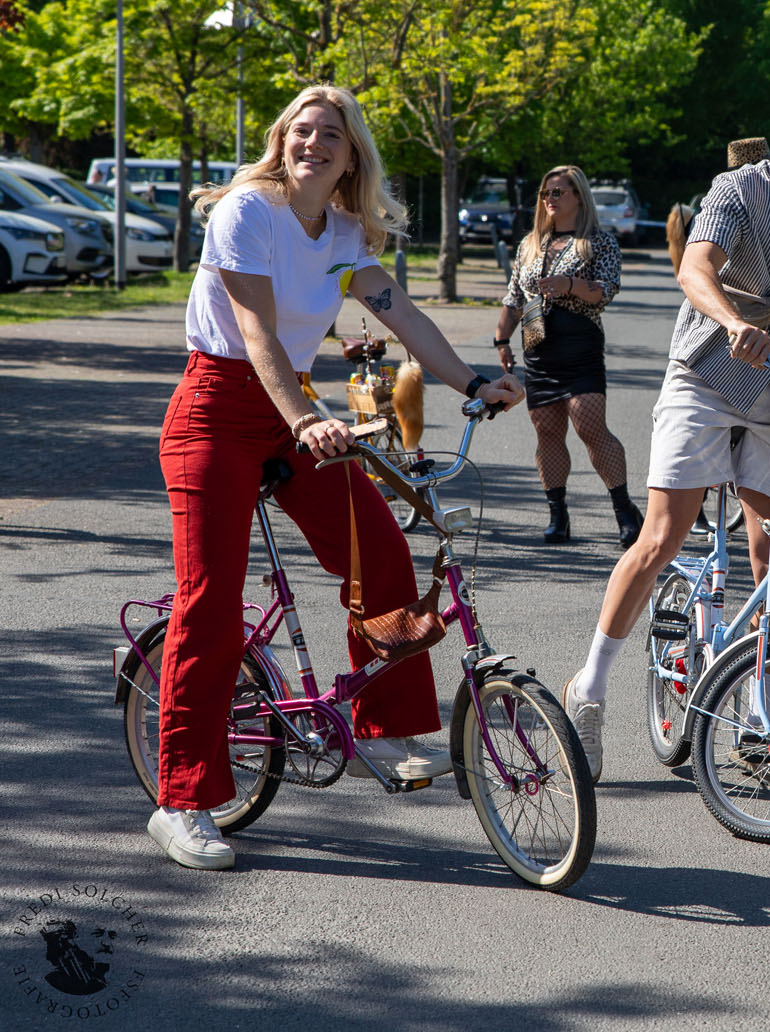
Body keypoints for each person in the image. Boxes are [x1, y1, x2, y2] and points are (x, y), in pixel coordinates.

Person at [152, 85, 523, 871]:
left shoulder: (346, 230)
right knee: (210, 602)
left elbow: (405, 316)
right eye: (301, 129)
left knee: (382, 550)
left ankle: (380, 732)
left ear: (351, 154)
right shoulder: (248, 212)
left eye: (330, 135)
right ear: (281, 139)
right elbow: (254, 333)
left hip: (295, 410)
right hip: (218, 406)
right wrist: (300, 418)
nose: (312, 143)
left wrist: (473, 383)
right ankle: (181, 800)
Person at [562, 91, 770, 780]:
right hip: (708, 377)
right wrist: (731, 320)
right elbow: (694, 267)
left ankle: (761, 712)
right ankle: (588, 688)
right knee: (663, 536)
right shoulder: (739, 189)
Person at [492, 166, 642, 547]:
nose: (550, 199)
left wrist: (570, 285)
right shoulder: (530, 244)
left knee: (590, 426)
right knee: (547, 431)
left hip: (580, 346)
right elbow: (514, 297)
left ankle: (625, 511)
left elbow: (607, 290)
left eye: (558, 192)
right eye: (546, 193)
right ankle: (557, 515)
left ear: (578, 196)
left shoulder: (597, 242)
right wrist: (501, 341)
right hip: (539, 349)